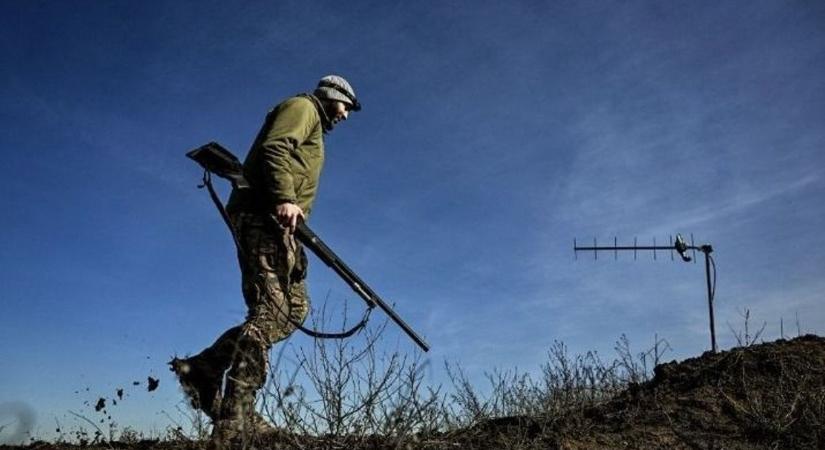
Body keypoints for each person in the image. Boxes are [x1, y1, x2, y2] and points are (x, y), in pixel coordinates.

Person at [170, 75, 361, 444]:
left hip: (280, 223)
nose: (346, 116)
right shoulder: (303, 107)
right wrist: (284, 198)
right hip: (264, 215)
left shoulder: (315, 125)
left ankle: (205, 367)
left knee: (295, 308)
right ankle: (237, 414)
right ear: (334, 96)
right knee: (271, 311)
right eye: (347, 107)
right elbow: (276, 148)